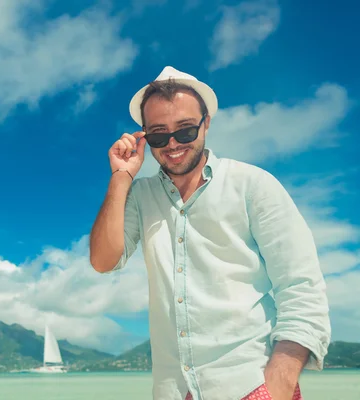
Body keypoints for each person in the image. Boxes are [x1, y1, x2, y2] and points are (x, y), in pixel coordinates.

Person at [89, 66, 331, 400]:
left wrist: (277, 385)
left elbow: (301, 288)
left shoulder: (252, 185)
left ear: (207, 123)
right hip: (173, 391)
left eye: (185, 130)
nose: (172, 143)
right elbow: (103, 261)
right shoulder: (140, 197)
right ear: (144, 136)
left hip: (251, 385)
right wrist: (120, 176)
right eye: (158, 135)